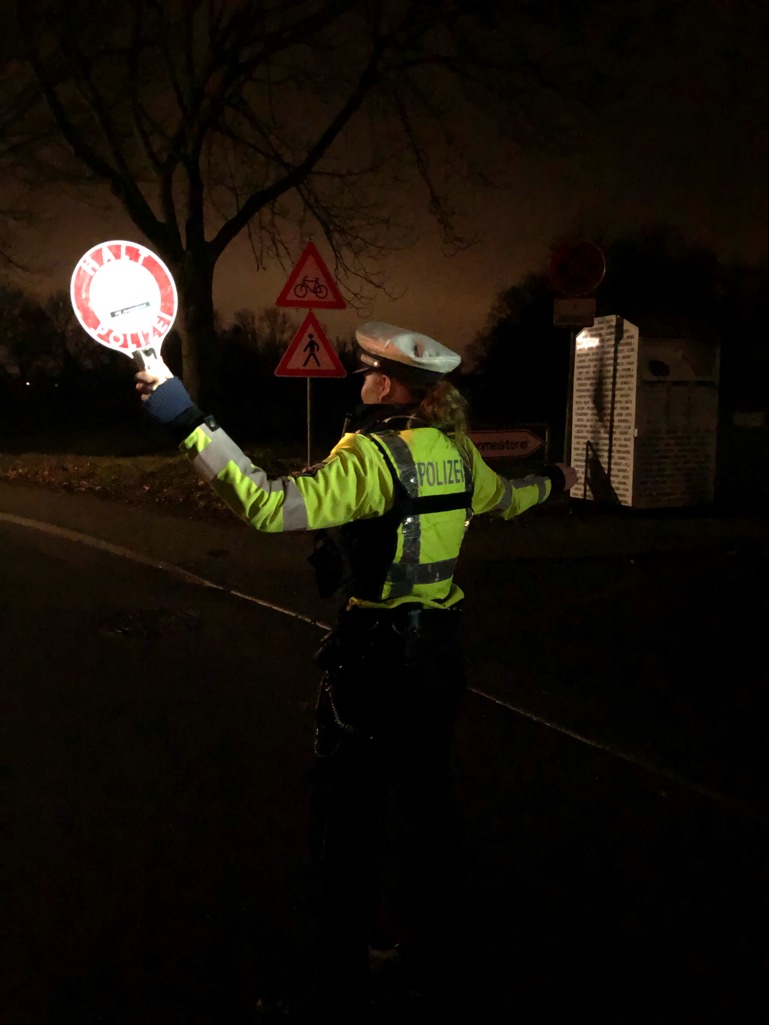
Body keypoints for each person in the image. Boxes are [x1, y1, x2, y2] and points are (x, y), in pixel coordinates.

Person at [134, 321, 577, 1022]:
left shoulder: (372, 457)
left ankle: (339, 974)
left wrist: (185, 418)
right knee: (425, 805)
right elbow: (507, 500)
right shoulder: (457, 453)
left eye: (368, 369)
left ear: (391, 384)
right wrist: (553, 480)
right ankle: (427, 953)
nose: (359, 377)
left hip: (376, 662)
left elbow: (268, 503)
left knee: (348, 816)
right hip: (439, 657)